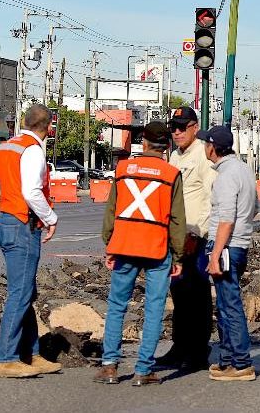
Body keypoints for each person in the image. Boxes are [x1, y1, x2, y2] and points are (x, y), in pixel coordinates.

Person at [94, 121, 186, 387]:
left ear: (143, 143)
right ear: (166, 147)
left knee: (116, 306)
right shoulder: (172, 174)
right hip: (157, 248)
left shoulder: (123, 170)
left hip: (124, 245)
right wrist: (178, 256)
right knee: (154, 308)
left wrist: (109, 243)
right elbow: (177, 219)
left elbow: (111, 210)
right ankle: (143, 369)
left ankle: (109, 366)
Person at [0, 103, 62, 378]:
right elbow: (32, 192)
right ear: (49, 127)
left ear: (24, 122)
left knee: (25, 292)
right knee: (20, 293)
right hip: (23, 225)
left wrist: (12, 208)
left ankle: (32, 354)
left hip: (6, 222)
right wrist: (50, 218)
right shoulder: (33, 150)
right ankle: (7, 359)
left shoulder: (6, 147)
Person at [155, 106, 215, 371]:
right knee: (179, 292)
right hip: (176, 237)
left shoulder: (203, 154)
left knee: (197, 293)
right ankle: (180, 347)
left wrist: (197, 233)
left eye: (182, 127)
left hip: (195, 237)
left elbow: (211, 198)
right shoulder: (175, 157)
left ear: (194, 127)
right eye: (174, 128)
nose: (177, 132)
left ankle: (198, 351)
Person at [198, 125, 258, 381]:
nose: (204, 147)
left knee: (230, 306)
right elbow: (255, 208)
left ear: (212, 147)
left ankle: (241, 363)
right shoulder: (244, 170)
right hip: (239, 245)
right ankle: (227, 360)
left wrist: (215, 254)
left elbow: (226, 220)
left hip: (226, 247)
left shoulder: (225, 176)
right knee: (224, 304)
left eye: (205, 143)